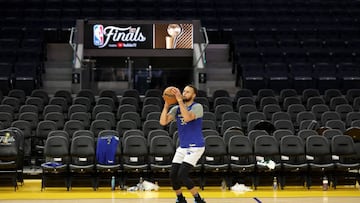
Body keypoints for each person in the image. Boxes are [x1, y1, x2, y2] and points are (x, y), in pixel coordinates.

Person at [160, 85, 206, 203]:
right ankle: (180, 199)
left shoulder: (197, 107)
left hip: (196, 146)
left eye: (187, 92)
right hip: (183, 147)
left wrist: (179, 100)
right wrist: (166, 105)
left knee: (182, 175)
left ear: (193, 95)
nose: (184, 93)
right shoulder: (176, 109)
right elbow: (163, 122)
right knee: (173, 175)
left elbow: (187, 118)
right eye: (183, 91)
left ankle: (198, 199)